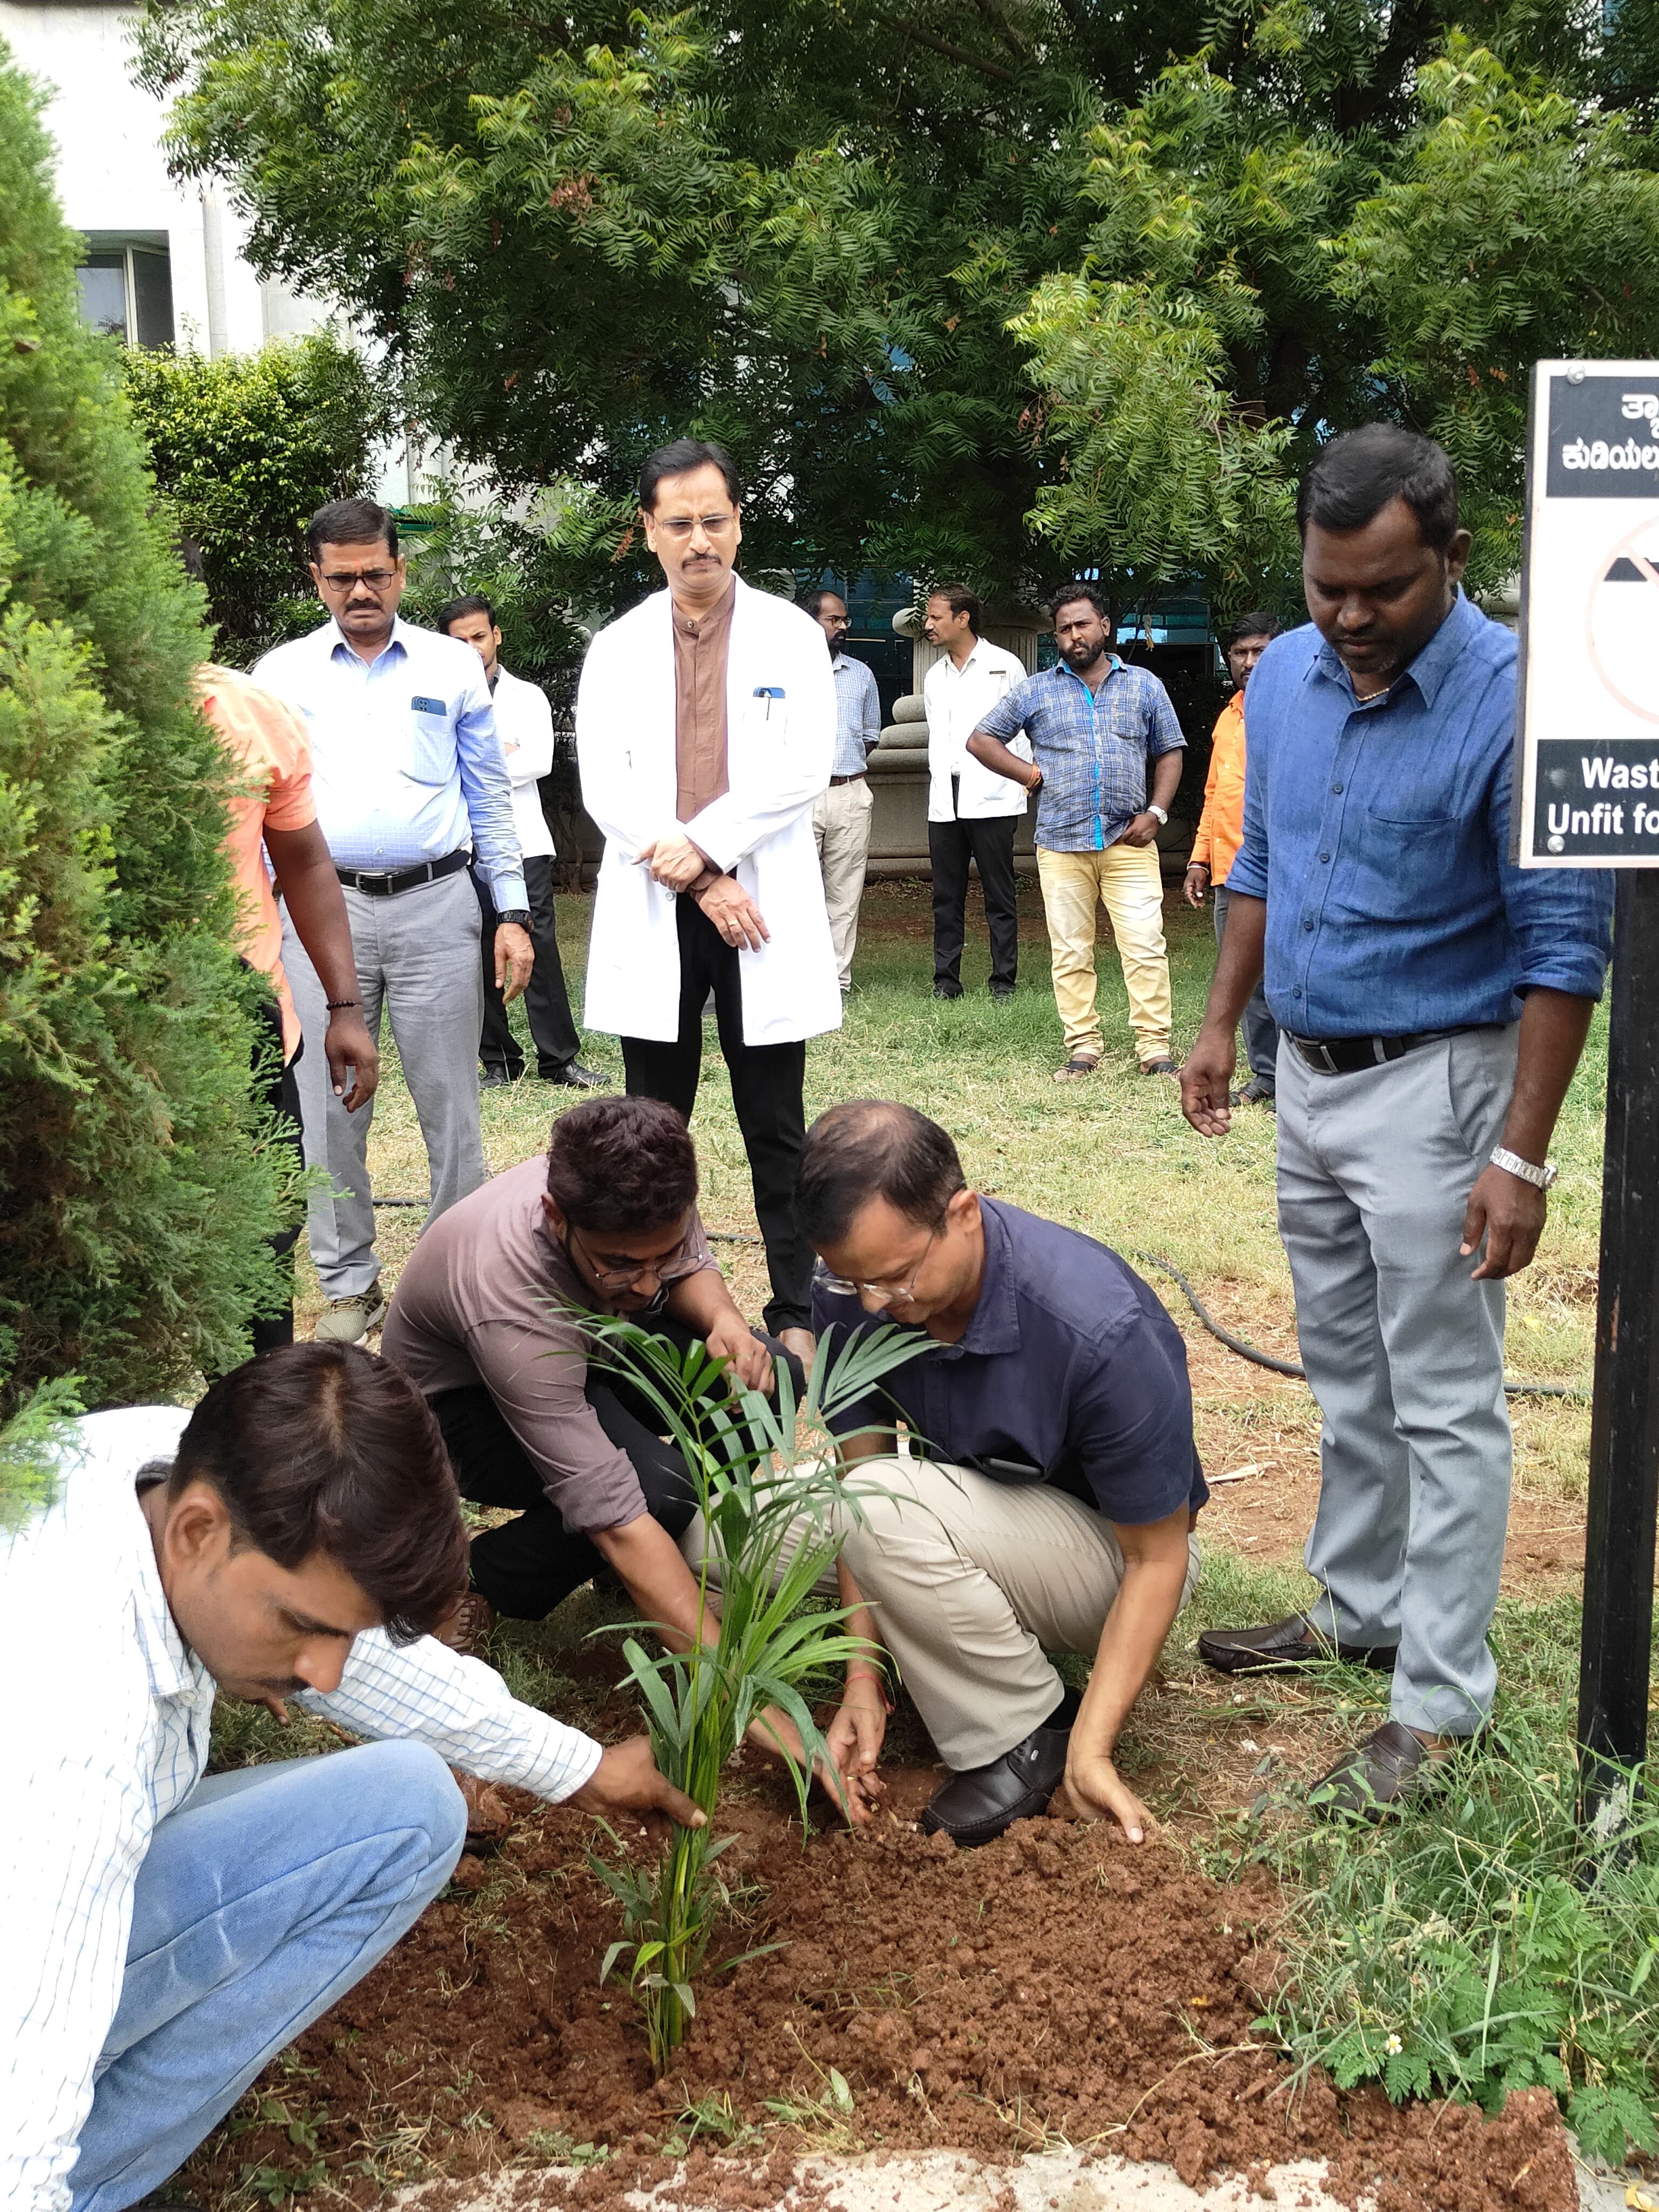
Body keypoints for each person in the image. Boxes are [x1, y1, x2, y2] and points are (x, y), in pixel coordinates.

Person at [2, 1342, 698, 2211]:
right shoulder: (74, 1742)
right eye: (303, 1628)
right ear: (196, 1534)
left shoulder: (161, 1463)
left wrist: (581, 1767)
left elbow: (359, 1649)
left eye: (345, 1633)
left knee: (407, 1806)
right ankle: (86, 2186)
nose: (326, 1676)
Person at [1179, 426, 1614, 1815]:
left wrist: (1518, 1153)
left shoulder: (1515, 702)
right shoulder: (1287, 680)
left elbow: (1562, 945)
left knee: (1442, 1399)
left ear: (1452, 556)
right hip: (1304, 1080)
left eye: (1383, 589)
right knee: (1344, 1368)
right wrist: (1218, 1026)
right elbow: (1260, 855)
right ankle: (1359, 1606)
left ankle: (1434, 1702)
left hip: (1439, 1089)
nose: (1350, 618)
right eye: (1326, 588)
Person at [792, 1100, 1206, 1848]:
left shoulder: (1099, 1327)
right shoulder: (854, 1286)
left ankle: (1027, 1733)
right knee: (714, 1541)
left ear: (963, 1213)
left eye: (895, 1278)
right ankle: (940, 1630)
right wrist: (862, 1675)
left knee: (879, 1506)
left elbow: (1159, 1557)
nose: (875, 1304)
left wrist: (1092, 1750)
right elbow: (863, 1468)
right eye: (855, 1283)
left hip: (1113, 1564)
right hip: (956, 1512)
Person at [575, 439, 839, 1367]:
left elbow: (804, 764)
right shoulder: (615, 648)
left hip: (756, 905)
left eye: (714, 520)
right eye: (679, 523)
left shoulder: (789, 636)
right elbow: (605, 785)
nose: (699, 540)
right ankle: (657, 1307)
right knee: (652, 1128)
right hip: (663, 897)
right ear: (647, 531)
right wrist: (698, 873)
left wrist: (714, 849)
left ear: (738, 525)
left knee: (775, 1119)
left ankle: (795, 1304)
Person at [252, 498, 534, 1347]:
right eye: (342, 578)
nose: (362, 591)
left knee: (453, 1106)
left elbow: (489, 799)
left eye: (376, 573)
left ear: (401, 572)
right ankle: (349, 1286)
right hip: (319, 914)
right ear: (316, 579)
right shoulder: (280, 677)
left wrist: (511, 912)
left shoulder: (452, 668)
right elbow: (261, 809)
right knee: (327, 1108)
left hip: (437, 906)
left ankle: (451, 1284)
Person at [198, 662, 379, 1351]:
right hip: (91, 1031)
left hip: (249, 1026)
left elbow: (303, 862)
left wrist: (345, 1007)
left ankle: (253, 1404)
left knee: (262, 1241)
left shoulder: (253, 713)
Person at [967, 586, 1185, 1079]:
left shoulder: (1144, 685)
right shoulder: (1036, 690)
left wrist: (1157, 812)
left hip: (1128, 839)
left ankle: (1155, 1050)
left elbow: (1170, 750)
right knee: (1070, 951)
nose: (1074, 636)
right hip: (1061, 843)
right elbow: (980, 739)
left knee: (1145, 945)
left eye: (1083, 624)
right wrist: (1027, 774)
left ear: (1104, 627)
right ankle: (1083, 1047)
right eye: (1064, 629)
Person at [434, 593, 606, 1093]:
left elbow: (539, 761)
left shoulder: (527, 696)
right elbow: (433, 768)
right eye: (460, 641)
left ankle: (559, 1060)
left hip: (523, 844)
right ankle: (498, 1060)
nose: (472, 648)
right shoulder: (436, 696)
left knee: (540, 949)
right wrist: (498, 754)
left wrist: (469, 764)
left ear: (497, 636)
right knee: (477, 950)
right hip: (461, 845)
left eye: (479, 636)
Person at [1182, 614, 1284, 1110]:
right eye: (1240, 653)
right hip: (1230, 870)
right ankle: (1268, 1075)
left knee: (1286, 976)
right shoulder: (1229, 716)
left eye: (1260, 651)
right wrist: (1199, 858)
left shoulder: (1293, 712)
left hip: (1280, 870)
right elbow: (1214, 793)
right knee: (1242, 978)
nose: (1249, 662)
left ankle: (1301, 1077)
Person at [920, 583, 1029, 1001]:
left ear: (962, 618)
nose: (928, 625)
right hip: (945, 797)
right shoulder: (934, 676)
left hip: (994, 793)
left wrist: (1022, 783)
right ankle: (946, 980)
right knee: (946, 895)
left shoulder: (1005, 665)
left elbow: (1023, 732)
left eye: (936, 617)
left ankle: (1004, 981)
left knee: (999, 893)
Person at [802, 588, 882, 993]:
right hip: (799, 798)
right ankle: (796, 977)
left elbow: (870, 735)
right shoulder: (787, 672)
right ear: (811, 622)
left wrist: (842, 769)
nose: (842, 627)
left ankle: (836, 982)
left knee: (845, 893)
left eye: (844, 620)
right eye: (833, 620)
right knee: (795, 889)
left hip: (850, 793)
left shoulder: (861, 674)